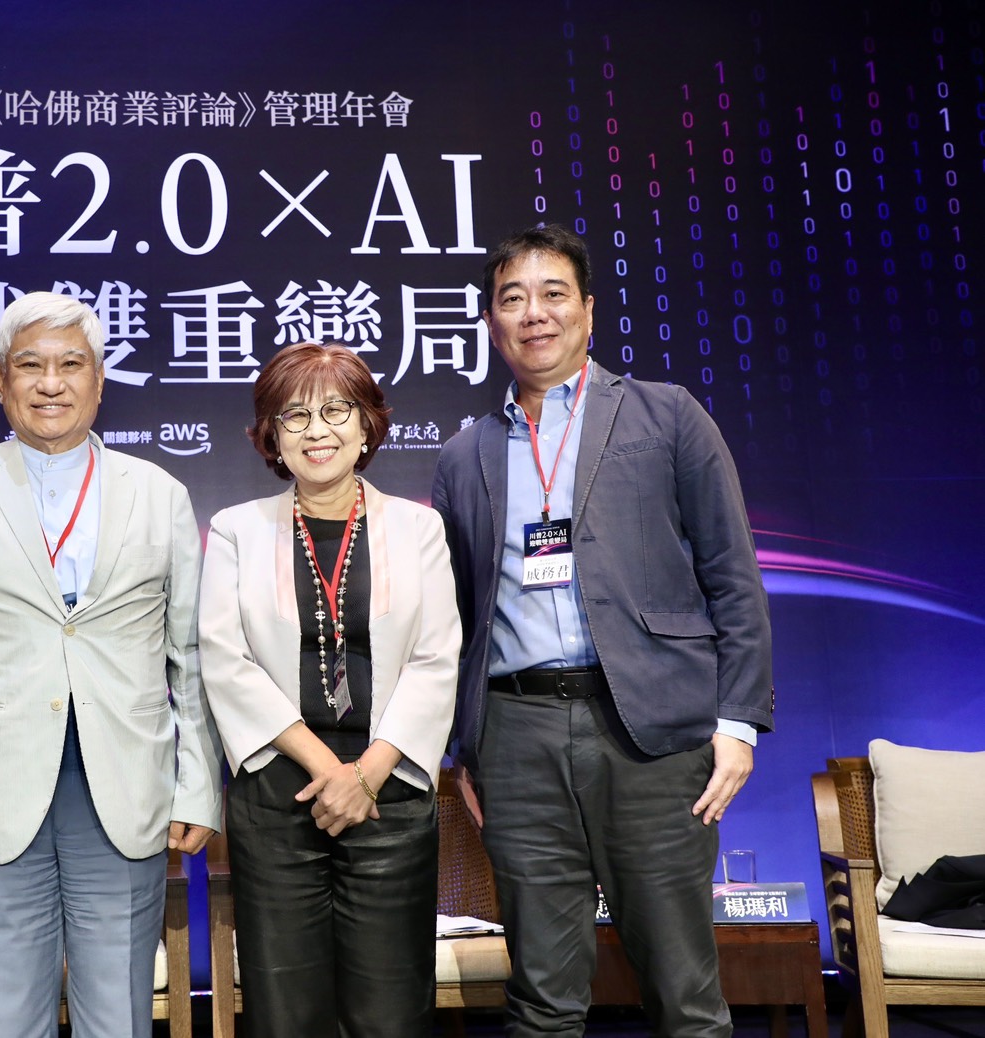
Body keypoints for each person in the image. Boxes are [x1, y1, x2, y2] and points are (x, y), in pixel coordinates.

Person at [431, 224, 774, 1038]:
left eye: (553, 294)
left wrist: (737, 723)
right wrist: (464, 747)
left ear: (587, 309)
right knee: (542, 998)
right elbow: (455, 619)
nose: (534, 314)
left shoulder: (667, 414)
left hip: (652, 735)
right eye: (512, 299)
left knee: (685, 995)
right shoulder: (464, 455)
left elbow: (732, 574)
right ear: (491, 322)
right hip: (516, 739)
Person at [0, 291, 223, 1038]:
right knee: (7, 1016)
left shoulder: (159, 493)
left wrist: (200, 786)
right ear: (0, 381)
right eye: (30, 366)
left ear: (99, 380)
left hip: (126, 788)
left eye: (71, 365)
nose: (50, 383)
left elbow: (191, 660)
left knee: (119, 1015)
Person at [199, 341, 462, 1037]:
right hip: (278, 790)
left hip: (388, 791)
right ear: (272, 436)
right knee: (286, 1013)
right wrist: (329, 770)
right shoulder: (235, 530)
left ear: (368, 423)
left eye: (336, 411)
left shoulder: (418, 527)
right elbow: (226, 660)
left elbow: (437, 659)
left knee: (391, 1013)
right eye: (295, 416)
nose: (317, 431)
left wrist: (365, 775)